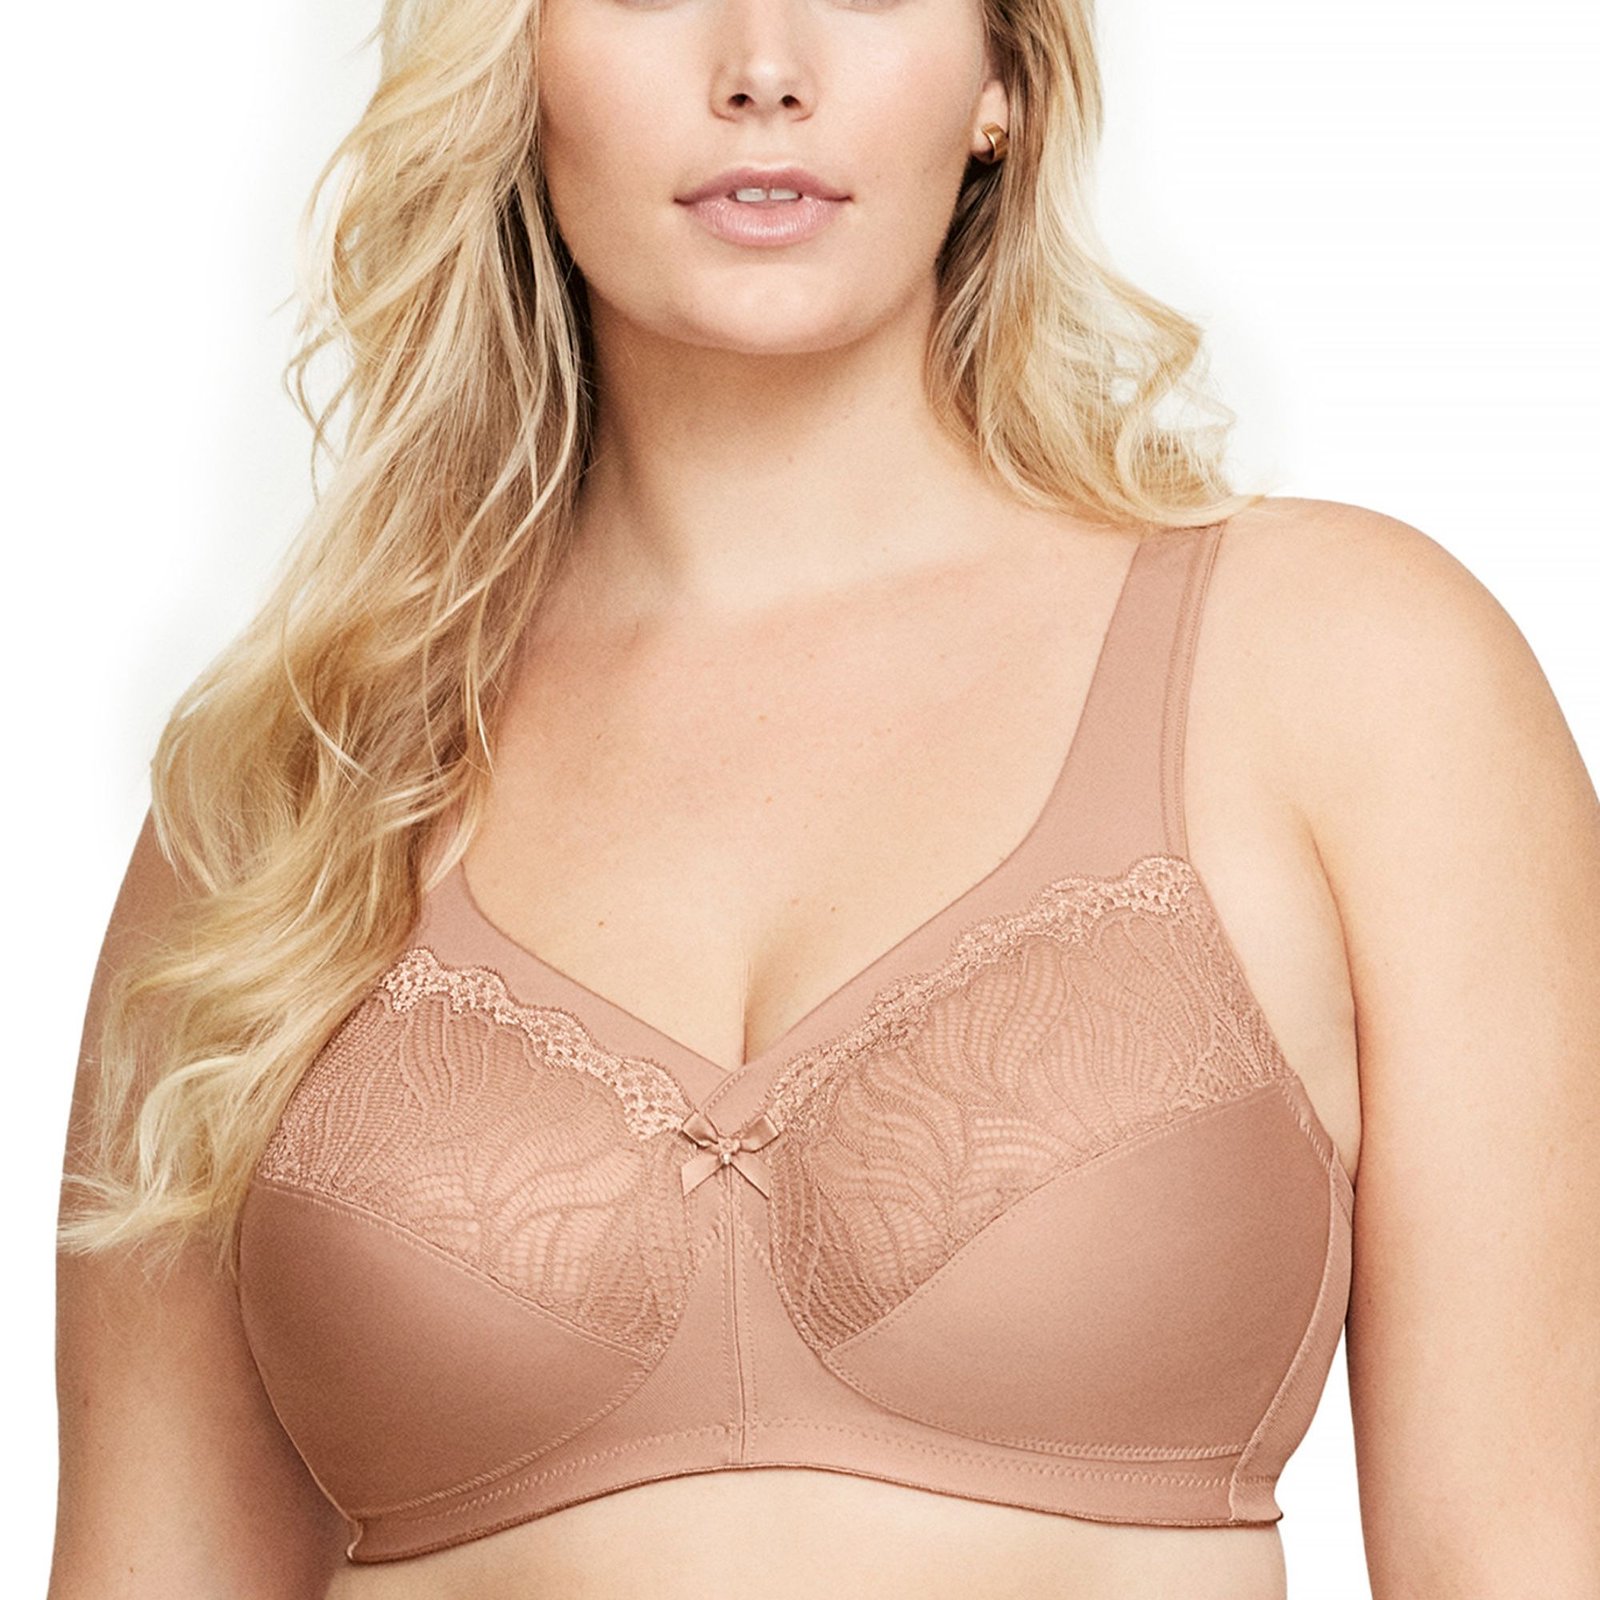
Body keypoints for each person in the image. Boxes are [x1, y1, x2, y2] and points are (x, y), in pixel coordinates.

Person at [49, 0, 1600, 1596]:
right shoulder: (294, 795)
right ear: (513, 64)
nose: (765, 69)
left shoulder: (1349, 670)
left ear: (1003, 78)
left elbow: (1519, 1559)